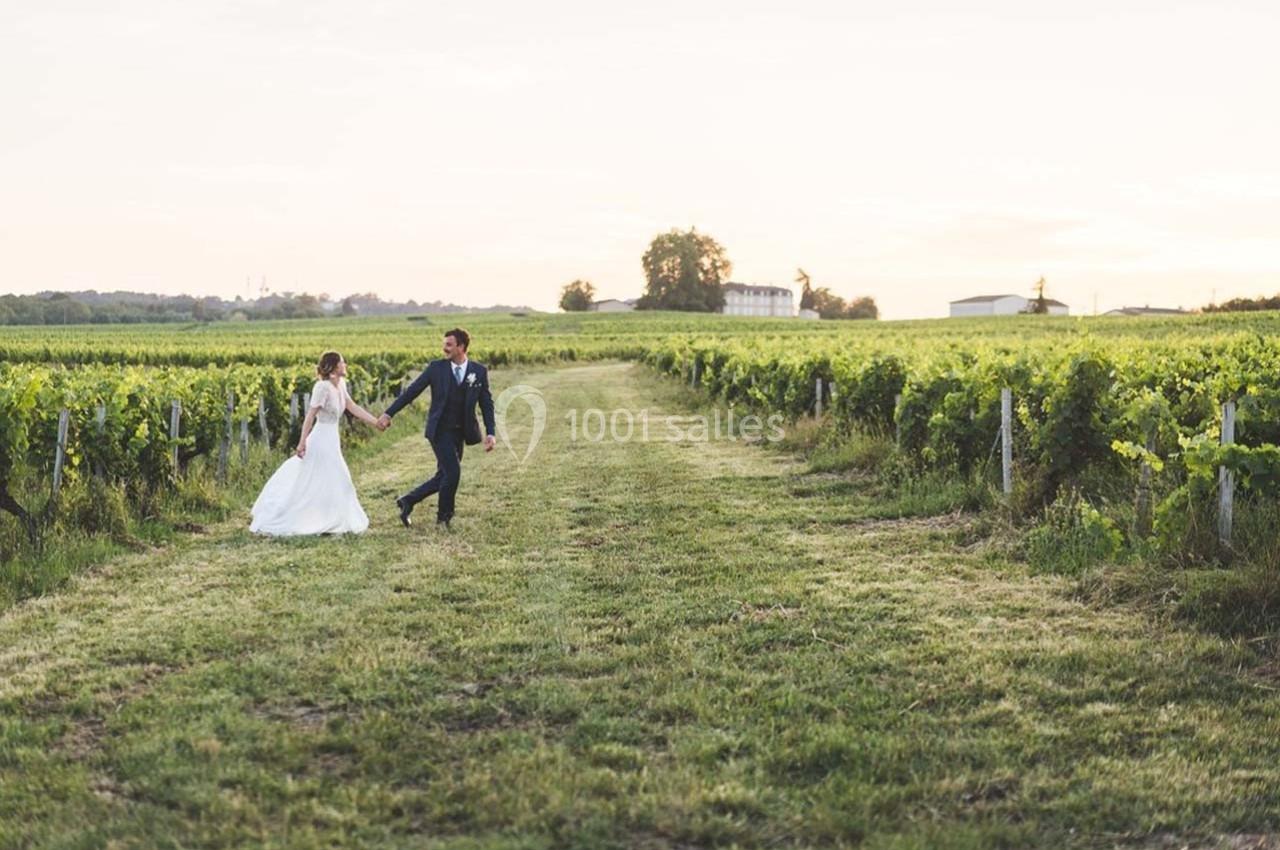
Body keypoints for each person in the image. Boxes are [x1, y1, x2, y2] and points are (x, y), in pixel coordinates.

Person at [249, 351, 382, 535]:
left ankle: (328, 515)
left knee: (328, 478)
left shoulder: (341, 384)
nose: (346, 365)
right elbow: (310, 416)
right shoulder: (322, 388)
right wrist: (302, 442)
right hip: (320, 439)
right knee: (333, 476)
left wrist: (375, 422)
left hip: (332, 439)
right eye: (343, 362)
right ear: (334, 366)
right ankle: (312, 517)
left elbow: (352, 407)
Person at [377, 327, 496, 529]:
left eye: (449, 345)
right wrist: (389, 413)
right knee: (453, 473)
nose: (444, 348)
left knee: (444, 475)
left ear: (461, 347)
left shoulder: (478, 371)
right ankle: (443, 519)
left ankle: (408, 501)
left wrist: (491, 432)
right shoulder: (436, 368)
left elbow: (486, 403)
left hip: (461, 431)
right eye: (444, 344)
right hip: (439, 430)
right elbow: (411, 392)